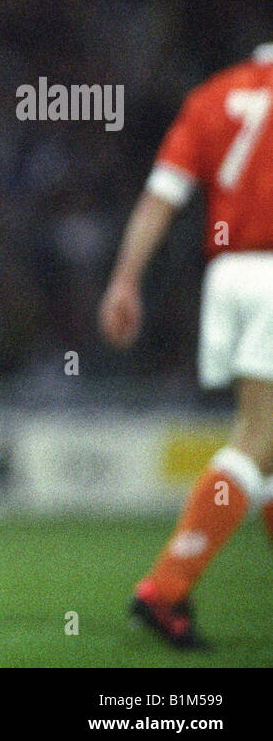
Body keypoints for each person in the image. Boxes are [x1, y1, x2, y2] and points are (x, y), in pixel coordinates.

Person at [99, 42, 273, 649]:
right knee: (258, 436)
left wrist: (125, 280)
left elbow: (162, 196)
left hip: (227, 277)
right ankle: (166, 587)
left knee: (269, 450)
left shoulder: (213, 95)